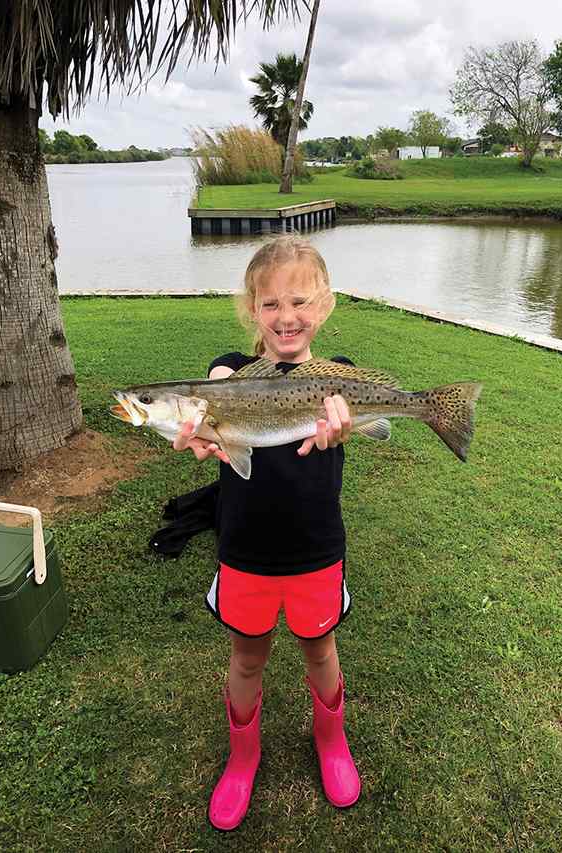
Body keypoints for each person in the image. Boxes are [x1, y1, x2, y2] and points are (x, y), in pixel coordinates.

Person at [173, 234, 361, 830]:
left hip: (316, 553)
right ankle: (242, 757)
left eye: (300, 302)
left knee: (321, 649)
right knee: (246, 658)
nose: (286, 317)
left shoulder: (340, 379)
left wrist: (347, 424)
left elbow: (351, 409)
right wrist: (201, 415)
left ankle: (332, 742)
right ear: (253, 310)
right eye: (271, 304)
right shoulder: (228, 377)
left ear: (324, 306)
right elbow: (221, 376)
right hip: (246, 554)